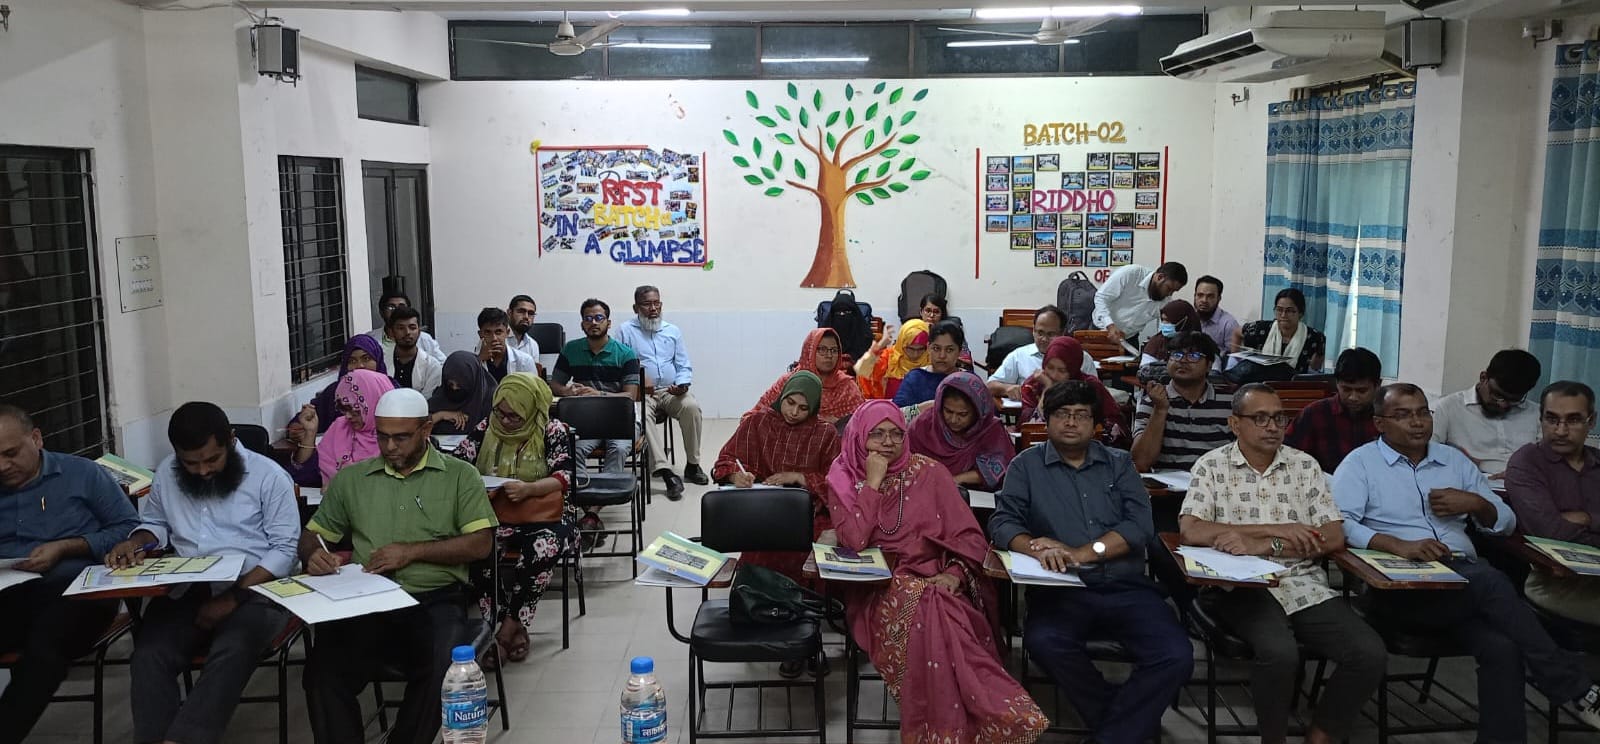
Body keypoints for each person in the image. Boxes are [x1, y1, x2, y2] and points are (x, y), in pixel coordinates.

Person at [1333, 383, 1600, 739]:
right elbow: (1339, 523)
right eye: (1403, 415)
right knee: (1490, 580)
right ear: (1380, 423)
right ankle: (1574, 687)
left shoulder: (1454, 461)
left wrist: (1477, 504)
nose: (1417, 422)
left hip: (1463, 587)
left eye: (1423, 412)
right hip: (1400, 588)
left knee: (1503, 647)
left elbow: (1505, 522)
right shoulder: (1360, 464)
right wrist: (1396, 544)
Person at [826, 401, 1048, 743]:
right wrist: (872, 483)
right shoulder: (843, 478)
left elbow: (970, 538)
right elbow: (855, 540)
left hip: (937, 577)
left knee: (945, 609)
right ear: (859, 436)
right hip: (876, 588)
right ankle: (992, 716)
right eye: (877, 434)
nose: (888, 443)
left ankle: (968, 722)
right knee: (929, 607)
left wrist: (956, 574)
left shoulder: (930, 473)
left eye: (896, 434)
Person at [1180, 384, 1386, 744]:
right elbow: (1192, 529)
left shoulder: (1304, 466)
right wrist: (1277, 529)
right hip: (1239, 586)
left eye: (1279, 418)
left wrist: (1265, 544)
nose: (1273, 427)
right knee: (1280, 653)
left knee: (1369, 653)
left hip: (1301, 581)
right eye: (1260, 418)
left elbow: (1332, 537)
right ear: (1234, 423)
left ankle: (1320, 735)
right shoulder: (1212, 466)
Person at [989, 381, 1193, 744]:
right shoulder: (1026, 466)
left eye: (1081, 415)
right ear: (1046, 419)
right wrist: (1036, 549)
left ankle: (1111, 735)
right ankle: (1124, 726)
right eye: (1062, 414)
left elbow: (1140, 526)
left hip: (1126, 587)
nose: (1071, 422)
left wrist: (1083, 553)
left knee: (1176, 654)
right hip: (1061, 589)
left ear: (1096, 424)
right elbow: (1003, 523)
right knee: (1044, 642)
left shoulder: (1118, 464)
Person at [299, 387, 498, 744]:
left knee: (443, 669)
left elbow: (480, 544)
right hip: (367, 598)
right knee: (322, 670)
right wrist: (313, 552)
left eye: (402, 437)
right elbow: (312, 534)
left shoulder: (459, 475)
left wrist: (412, 552)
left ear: (426, 429)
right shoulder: (353, 479)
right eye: (383, 436)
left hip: (435, 598)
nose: (390, 447)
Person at [106, 402, 299, 744]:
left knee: (233, 647)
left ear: (231, 440)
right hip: (189, 588)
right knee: (149, 655)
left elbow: (285, 551)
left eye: (212, 460)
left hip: (257, 590)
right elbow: (156, 523)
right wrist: (138, 541)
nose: (202, 471)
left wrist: (233, 598)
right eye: (190, 463)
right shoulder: (168, 473)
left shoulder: (269, 477)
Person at [0, 405, 140, 744]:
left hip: (78, 592)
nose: (2, 466)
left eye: (11, 454)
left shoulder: (82, 474)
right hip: (11, 593)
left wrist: (68, 547)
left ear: (36, 439)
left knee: (45, 648)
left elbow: (129, 529)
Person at [448, 373, 580, 664]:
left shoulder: (550, 429)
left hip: (544, 516)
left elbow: (564, 477)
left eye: (515, 416)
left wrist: (529, 489)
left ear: (530, 408)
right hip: (495, 513)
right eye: (501, 413)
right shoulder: (487, 427)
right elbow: (457, 465)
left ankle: (508, 628)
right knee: (478, 548)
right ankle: (499, 622)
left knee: (543, 547)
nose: (506, 421)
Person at [711, 372, 840, 602]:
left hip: (810, 512)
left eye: (803, 408)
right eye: (790, 402)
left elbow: (837, 483)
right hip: (763, 510)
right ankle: (759, 597)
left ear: (813, 408)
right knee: (764, 545)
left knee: (815, 547)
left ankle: (806, 603)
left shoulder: (824, 434)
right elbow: (725, 461)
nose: (794, 412)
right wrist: (735, 476)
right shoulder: (757, 423)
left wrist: (800, 477)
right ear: (782, 396)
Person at [1505, 380, 1600, 625]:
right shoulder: (1527, 462)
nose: (1560, 430)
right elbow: (1550, 532)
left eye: (1573, 420)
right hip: (1557, 584)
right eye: (1552, 419)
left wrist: (1587, 518)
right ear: (1541, 419)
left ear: (1592, 421)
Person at [550, 299, 642, 538]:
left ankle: (593, 511)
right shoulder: (571, 350)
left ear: (608, 323)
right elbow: (555, 385)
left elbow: (630, 396)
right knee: (573, 450)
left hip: (620, 421)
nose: (594, 323)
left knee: (618, 449)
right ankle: (589, 511)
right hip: (586, 422)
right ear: (582, 324)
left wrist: (598, 394)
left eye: (599, 318)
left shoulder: (625, 353)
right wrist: (567, 391)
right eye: (588, 318)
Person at [615, 285, 707, 499]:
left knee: (691, 407)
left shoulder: (672, 330)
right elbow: (618, 366)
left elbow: (683, 364)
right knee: (642, 415)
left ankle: (693, 465)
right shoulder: (625, 331)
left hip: (670, 391)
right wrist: (637, 381)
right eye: (647, 304)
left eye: (657, 303)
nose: (653, 308)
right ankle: (666, 472)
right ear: (636, 307)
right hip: (641, 392)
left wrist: (682, 384)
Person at [1131, 332, 1234, 472]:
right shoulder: (1152, 400)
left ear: (1209, 365)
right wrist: (1160, 410)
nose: (1183, 361)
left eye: (1193, 356)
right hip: (1167, 483)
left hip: (1216, 481)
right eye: (1176, 355)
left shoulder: (1230, 403)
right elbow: (1141, 463)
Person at [1433, 348, 1542, 479]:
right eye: (1498, 395)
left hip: (1527, 484)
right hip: (1468, 483)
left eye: (1514, 400)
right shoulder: (1448, 407)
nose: (1503, 405)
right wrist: (1455, 461)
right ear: (1483, 378)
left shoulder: (1538, 414)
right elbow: (1426, 454)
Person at [907, 371, 1015, 491]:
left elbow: (1000, 466)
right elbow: (906, 462)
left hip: (976, 493)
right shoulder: (924, 425)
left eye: (963, 414)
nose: (953, 420)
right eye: (948, 411)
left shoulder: (990, 429)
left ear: (977, 411)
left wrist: (956, 480)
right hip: (925, 489)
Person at [286, 369, 396, 487]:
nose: (348, 416)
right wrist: (310, 434)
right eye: (343, 408)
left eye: (355, 410)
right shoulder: (341, 428)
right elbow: (306, 476)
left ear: (375, 403)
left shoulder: (396, 437)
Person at [1285, 347, 1382, 473]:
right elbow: (1288, 456)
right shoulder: (1315, 414)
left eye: (1362, 391)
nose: (1353, 397)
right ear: (1337, 383)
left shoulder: (1387, 416)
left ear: (1378, 385)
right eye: (1346, 389)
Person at [1018, 336, 1127, 446]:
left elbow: (1114, 428)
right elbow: (1030, 428)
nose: (1054, 375)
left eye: (1062, 370)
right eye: (1050, 367)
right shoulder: (1034, 384)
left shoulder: (1090, 386)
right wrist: (1048, 389)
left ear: (1073, 369)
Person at [749, 328, 864, 425]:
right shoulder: (790, 381)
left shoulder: (847, 387)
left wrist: (837, 423)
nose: (829, 355)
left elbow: (863, 426)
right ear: (809, 351)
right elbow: (753, 417)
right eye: (822, 349)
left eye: (834, 350)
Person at [987, 305, 1096, 400]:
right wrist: (1006, 389)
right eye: (1040, 333)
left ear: (1063, 333)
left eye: (1051, 334)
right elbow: (989, 386)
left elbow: (1095, 393)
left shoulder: (1082, 358)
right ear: (1033, 330)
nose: (1044, 339)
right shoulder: (1019, 355)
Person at [298, 335, 387, 435]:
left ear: (378, 360)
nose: (360, 366)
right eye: (352, 361)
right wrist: (299, 427)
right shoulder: (335, 392)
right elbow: (309, 418)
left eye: (366, 358)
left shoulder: (391, 392)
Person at [1092, 261, 1189, 346]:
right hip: (1099, 332)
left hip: (1129, 340)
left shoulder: (1166, 302)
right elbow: (1101, 297)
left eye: (1174, 291)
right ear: (1160, 277)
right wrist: (1110, 325)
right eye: (1169, 288)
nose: (1170, 294)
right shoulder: (1131, 273)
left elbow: (1162, 327)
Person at [1232, 288, 1326, 374]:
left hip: (1294, 385)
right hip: (1259, 383)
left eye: (1289, 311)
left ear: (1300, 313)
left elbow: (1317, 363)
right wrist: (1235, 362)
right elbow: (1237, 333)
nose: (1283, 315)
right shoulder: (1261, 329)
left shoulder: (1313, 337)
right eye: (1279, 310)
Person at [892, 319, 965, 407]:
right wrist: (921, 408)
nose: (942, 355)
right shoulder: (916, 378)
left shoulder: (967, 381)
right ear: (928, 348)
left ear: (959, 351)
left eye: (949, 350)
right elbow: (895, 412)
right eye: (936, 348)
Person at [855, 318, 928, 401]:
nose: (915, 354)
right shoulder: (889, 358)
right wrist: (880, 344)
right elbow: (861, 369)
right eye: (910, 349)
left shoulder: (931, 360)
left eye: (921, 349)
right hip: (887, 408)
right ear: (901, 343)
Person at [428, 350, 497, 436]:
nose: (454, 388)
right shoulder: (441, 397)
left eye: (460, 385)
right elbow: (417, 425)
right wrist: (440, 415)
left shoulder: (492, 401)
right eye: (450, 384)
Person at [366, 290, 445, 364]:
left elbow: (442, 364)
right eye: (391, 307)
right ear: (381, 312)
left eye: (401, 306)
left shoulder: (424, 339)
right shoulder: (370, 339)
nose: (396, 310)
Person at [381, 306, 442, 395]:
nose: (407, 332)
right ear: (392, 332)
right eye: (401, 328)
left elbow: (428, 399)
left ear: (419, 331)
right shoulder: (381, 361)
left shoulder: (432, 366)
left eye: (412, 328)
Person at [476, 306, 537, 383]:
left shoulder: (525, 361)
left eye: (498, 332)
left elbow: (533, 389)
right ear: (480, 334)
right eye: (488, 332)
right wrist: (480, 360)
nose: (494, 338)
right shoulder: (471, 362)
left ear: (507, 333)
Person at [1138, 299, 1203, 365]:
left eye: (1168, 320)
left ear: (1184, 321)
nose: (1164, 324)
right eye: (1163, 319)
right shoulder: (1156, 342)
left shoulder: (1199, 343)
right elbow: (1145, 368)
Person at [916, 293, 973, 366]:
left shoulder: (953, 332)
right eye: (928, 311)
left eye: (936, 312)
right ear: (921, 312)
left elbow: (967, 361)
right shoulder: (913, 331)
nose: (931, 315)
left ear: (942, 314)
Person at [1193, 275, 1241, 356]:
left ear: (1219, 298)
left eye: (1210, 296)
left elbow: (1233, 358)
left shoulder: (1229, 324)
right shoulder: (1188, 318)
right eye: (1200, 295)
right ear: (1195, 296)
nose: (1204, 300)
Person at [822, 289, 874, 362]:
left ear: (855, 314)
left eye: (847, 312)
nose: (842, 315)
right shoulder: (824, 336)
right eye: (838, 313)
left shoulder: (865, 337)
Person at [506, 294, 541, 363]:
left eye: (531, 313)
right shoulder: (496, 338)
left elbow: (533, 370)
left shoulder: (533, 345)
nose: (526, 317)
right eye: (521, 311)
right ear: (509, 313)